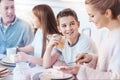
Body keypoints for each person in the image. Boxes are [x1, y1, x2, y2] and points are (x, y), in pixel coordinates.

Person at [59, 0, 120, 79]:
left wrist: (81, 71)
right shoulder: (108, 33)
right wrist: (91, 58)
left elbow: (115, 77)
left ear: (107, 13)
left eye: (92, 16)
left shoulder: (118, 40)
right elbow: (107, 64)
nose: (89, 20)